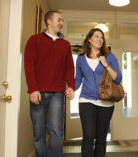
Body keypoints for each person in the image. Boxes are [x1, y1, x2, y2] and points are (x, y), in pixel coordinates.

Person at [24, 10, 75, 157]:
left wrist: (71, 86)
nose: (61, 23)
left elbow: (69, 67)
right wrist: (33, 89)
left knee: (56, 131)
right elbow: (29, 65)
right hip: (37, 93)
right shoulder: (34, 40)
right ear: (49, 21)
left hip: (57, 94)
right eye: (59, 20)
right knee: (39, 132)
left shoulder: (65, 44)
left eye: (62, 20)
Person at [75, 28, 122, 157]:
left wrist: (106, 64)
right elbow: (78, 79)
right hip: (86, 100)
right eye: (96, 36)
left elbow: (118, 78)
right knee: (88, 136)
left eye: (101, 37)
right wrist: (70, 88)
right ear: (89, 39)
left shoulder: (110, 57)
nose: (99, 39)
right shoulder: (80, 59)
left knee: (101, 139)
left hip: (106, 103)